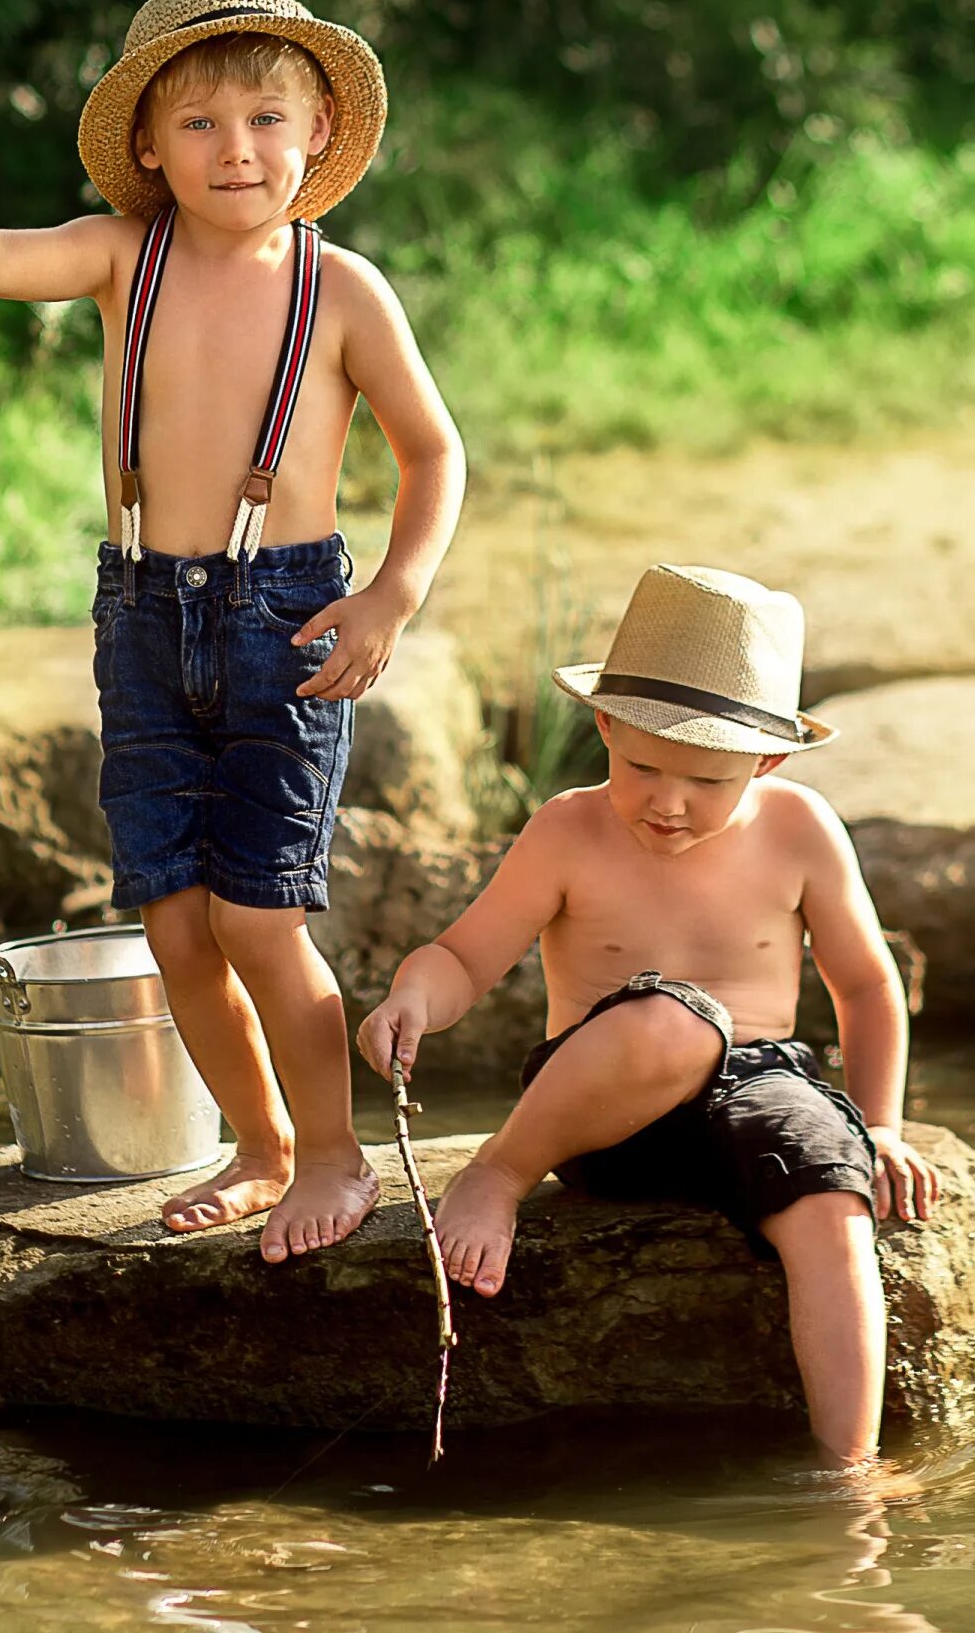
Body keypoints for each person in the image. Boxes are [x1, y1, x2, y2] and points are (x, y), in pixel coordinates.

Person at [0, 0, 464, 1263]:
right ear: (151, 149)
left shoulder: (344, 291)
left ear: (319, 131)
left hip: (288, 617)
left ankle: (332, 1158)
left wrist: (392, 594)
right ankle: (261, 1147)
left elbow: (435, 455)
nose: (238, 150)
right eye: (202, 124)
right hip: (144, 615)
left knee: (261, 916)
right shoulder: (122, 256)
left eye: (267, 119)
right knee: (173, 923)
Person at [356, 564, 938, 1465]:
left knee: (832, 1203)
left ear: (767, 762)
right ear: (604, 727)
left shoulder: (801, 829)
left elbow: (866, 984)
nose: (667, 802)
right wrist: (412, 999)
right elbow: (464, 958)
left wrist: (885, 1125)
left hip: (763, 1082)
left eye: (706, 780)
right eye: (641, 767)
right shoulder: (567, 830)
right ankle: (498, 1176)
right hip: (603, 1102)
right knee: (678, 1022)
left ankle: (848, 1474)